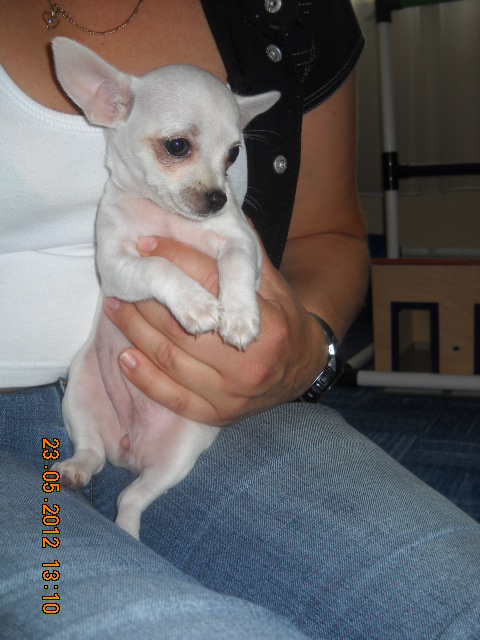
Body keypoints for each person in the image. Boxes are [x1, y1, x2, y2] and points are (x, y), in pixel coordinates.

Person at [0, 1, 478, 638]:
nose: (213, 185)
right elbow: (120, 269)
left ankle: (132, 499)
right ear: (105, 102)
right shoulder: (121, 131)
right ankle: (90, 464)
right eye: (178, 149)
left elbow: (321, 235)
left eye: (227, 158)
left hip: (206, 404)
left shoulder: (284, 11)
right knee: (141, 620)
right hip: (55, 413)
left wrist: (304, 349)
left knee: (454, 593)